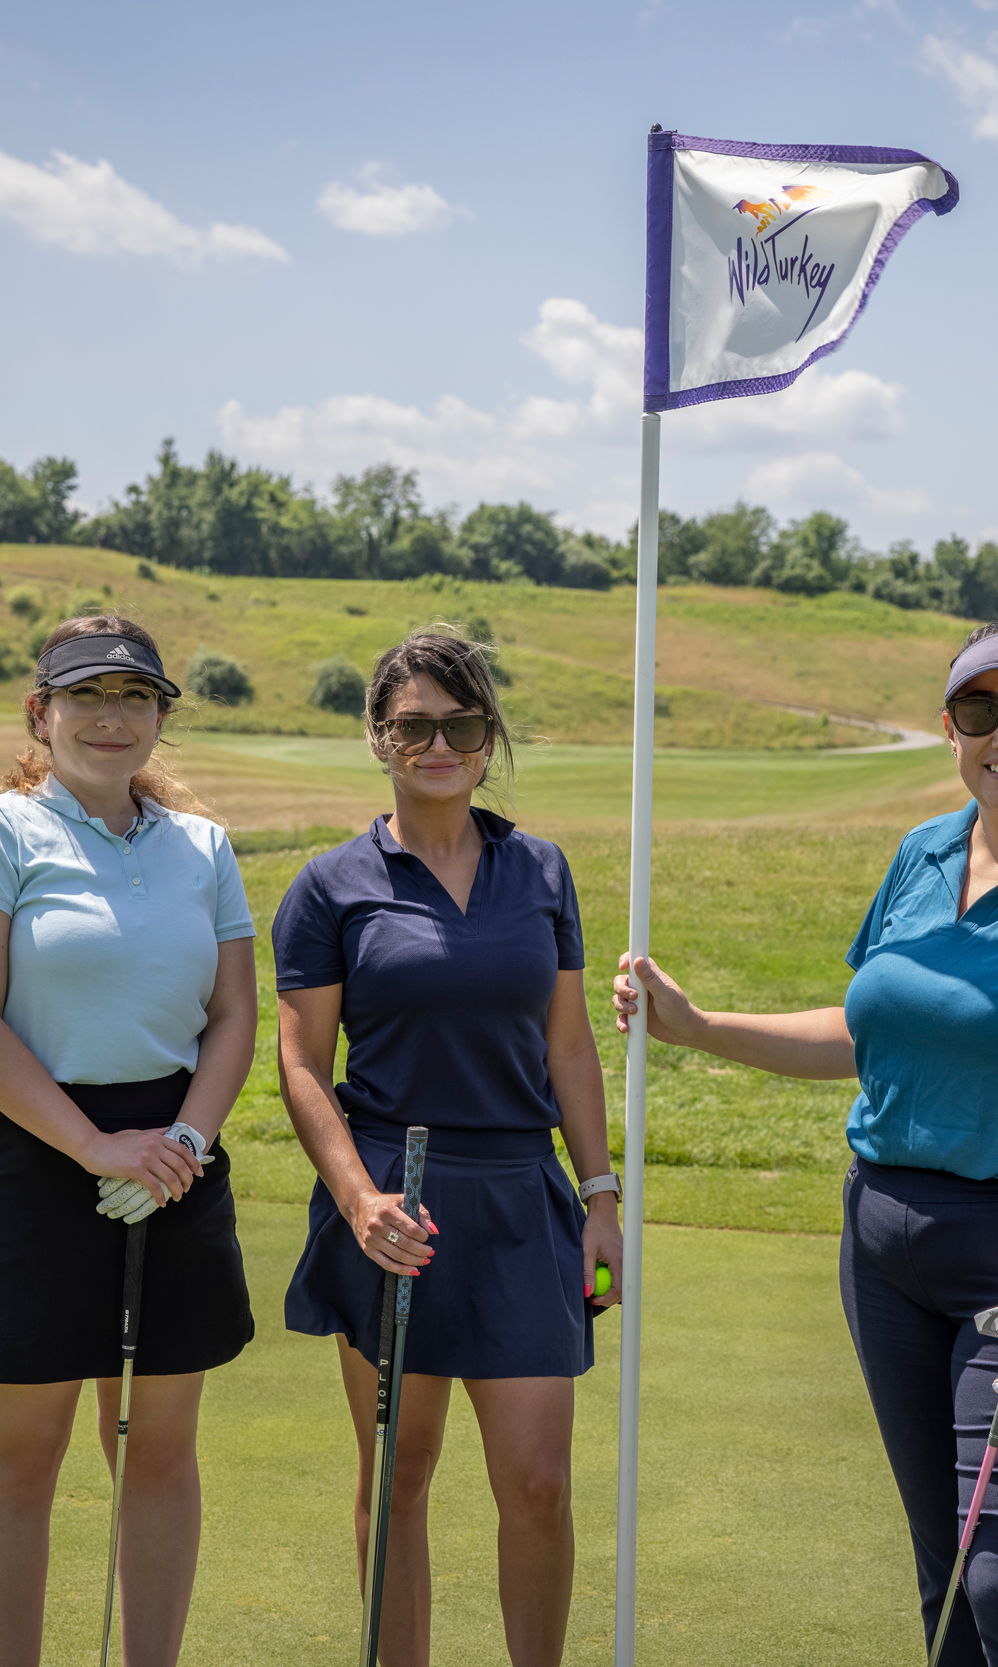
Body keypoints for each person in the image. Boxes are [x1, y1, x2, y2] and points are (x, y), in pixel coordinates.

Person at [613, 620, 998, 1666]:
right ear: (950, 728)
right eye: (980, 710)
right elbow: (870, 1029)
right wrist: (700, 1025)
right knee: (948, 1584)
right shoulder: (923, 853)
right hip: (888, 1251)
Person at [273, 627, 622, 1667]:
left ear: (487, 737)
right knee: (399, 1473)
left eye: (460, 723)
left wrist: (600, 1195)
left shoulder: (541, 868)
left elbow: (568, 1042)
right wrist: (355, 1198)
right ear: (380, 735)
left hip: (522, 1197)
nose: (437, 742)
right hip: (394, 1203)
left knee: (538, 1482)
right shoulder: (330, 884)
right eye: (414, 723)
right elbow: (300, 1063)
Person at [0, 615, 258, 1667]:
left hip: (173, 1155)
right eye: (86, 695)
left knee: (158, 1452)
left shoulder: (202, 845)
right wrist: (90, 1146)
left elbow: (235, 1014)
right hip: (35, 1152)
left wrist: (185, 1139)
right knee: (20, 1458)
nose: (111, 717)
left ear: (161, 714)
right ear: (41, 711)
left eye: (135, 697)